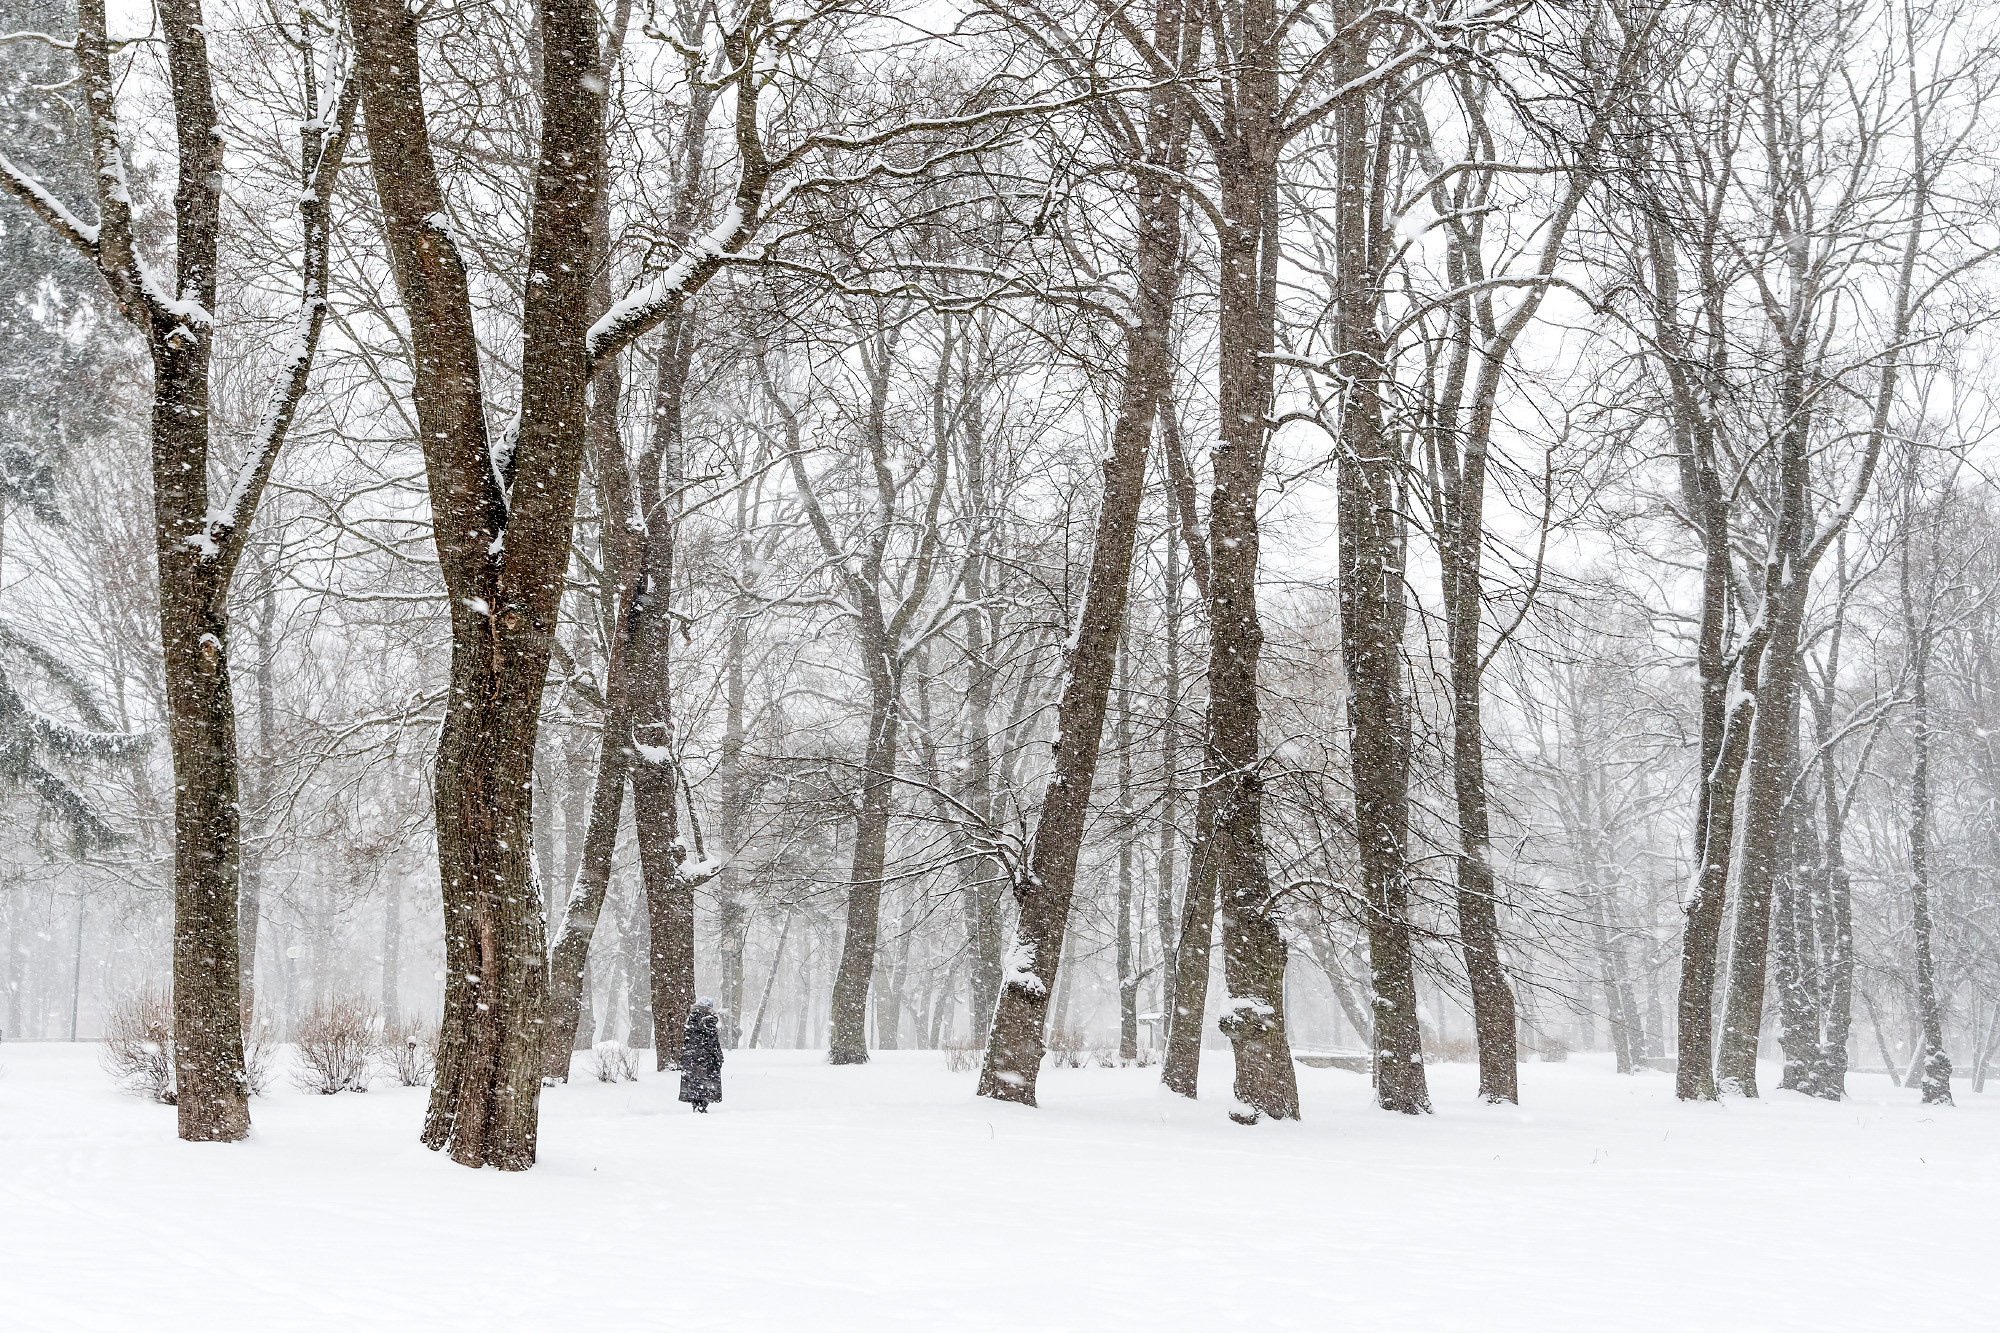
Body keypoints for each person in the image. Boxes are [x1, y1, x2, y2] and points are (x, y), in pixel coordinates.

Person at [679, 997, 724, 1113]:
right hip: (706, 1056)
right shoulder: (709, 1019)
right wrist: (718, 1056)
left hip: (691, 1057)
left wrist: (684, 1055)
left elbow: (686, 1039)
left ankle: (695, 1104)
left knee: (694, 1081)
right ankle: (702, 1105)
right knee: (706, 1081)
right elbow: (713, 1041)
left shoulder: (690, 1019)